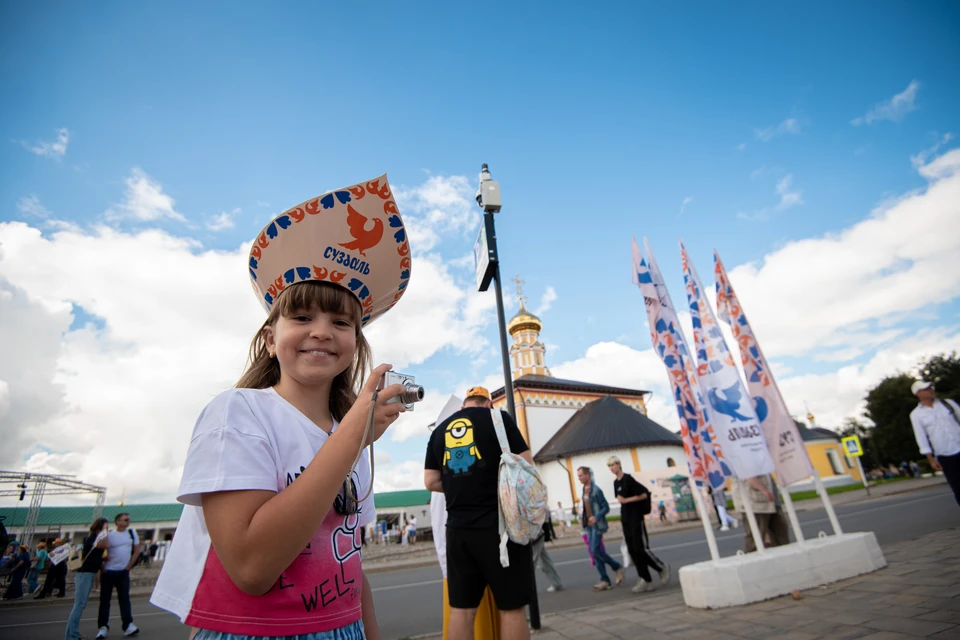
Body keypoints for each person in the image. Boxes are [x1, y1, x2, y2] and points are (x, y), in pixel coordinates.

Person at [151, 177, 415, 640]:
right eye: (301, 317)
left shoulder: (350, 434)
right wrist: (354, 434)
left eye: (340, 322)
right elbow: (252, 566)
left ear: (355, 344)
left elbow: (349, 568)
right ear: (271, 340)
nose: (321, 331)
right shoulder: (237, 413)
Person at [424, 386, 534, 640]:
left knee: (462, 610)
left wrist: (460, 485)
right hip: (500, 529)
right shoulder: (497, 418)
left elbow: (430, 481)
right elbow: (526, 463)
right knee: (511, 608)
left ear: (464, 406)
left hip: (458, 531)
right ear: (489, 403)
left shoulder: (440, 430)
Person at [607, 456, 669, 593]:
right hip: (626, 519)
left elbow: (644, 494)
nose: (611, 468)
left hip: (635, 517)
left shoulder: (628, 479)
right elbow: (619, 498)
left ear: (619, 464)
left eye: (613, 465)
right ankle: (645, 579)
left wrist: (627, 500)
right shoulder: (615, 483)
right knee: (632, 550)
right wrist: (621, 500)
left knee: (641, 548)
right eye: (609, 466)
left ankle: (661, 567)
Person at [910, 381, 960, 505]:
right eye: (926, 389)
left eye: (930, 387)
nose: (931, 390)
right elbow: (921, 438)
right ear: (918, 394)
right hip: (945, 455)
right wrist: (931, 459)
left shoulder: (948, 404)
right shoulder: (916, 415)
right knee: (958, 488)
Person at [578, 466, 623, 591]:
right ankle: (605, 580)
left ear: (587, 475)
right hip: (589, 526)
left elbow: (606, 507)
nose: (579, 478)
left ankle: (616, 566)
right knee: (594, 552)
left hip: (597, 525)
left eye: (581, 475)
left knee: (595, 550)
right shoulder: (584, 489)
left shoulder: (596, 490)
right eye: (578, 476)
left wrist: (596, 517)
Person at [96, 513, 141, 638]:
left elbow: (137, 550)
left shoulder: (132, 533)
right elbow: (99, 548)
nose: (128, 521)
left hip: (123, 571)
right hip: (109, 571)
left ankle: (128, 625)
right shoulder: (109, 534)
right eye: (125, 520)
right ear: (118, 522)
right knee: (105, 600)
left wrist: (129, 566)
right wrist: (102, 566)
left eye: (129, 519)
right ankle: (103, 626)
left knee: (124, 599)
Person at [65, 518, 110, 640]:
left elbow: (96, 557)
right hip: (84, 574)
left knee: (80, 604)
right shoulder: (92, 539)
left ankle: (73, 633)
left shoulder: (95, 540)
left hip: (88, 573)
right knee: (79, 604)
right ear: (99, 528)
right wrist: (105, 533)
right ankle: (71, 636)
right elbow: (106, 545)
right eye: (105, 527)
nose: (107, 529)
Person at [734, 475, 789, 553]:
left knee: (781, 534)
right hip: (755, 502)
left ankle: (784, 558)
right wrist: (762, 489)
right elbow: (746, 472)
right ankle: (752, 561)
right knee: (756, 539)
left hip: (770, 500)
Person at [532, 517, 563, 593]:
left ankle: (526, 589)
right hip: (536, 532)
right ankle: (556, 583)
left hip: (534, 534)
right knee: (544, 560)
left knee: (532, 563)